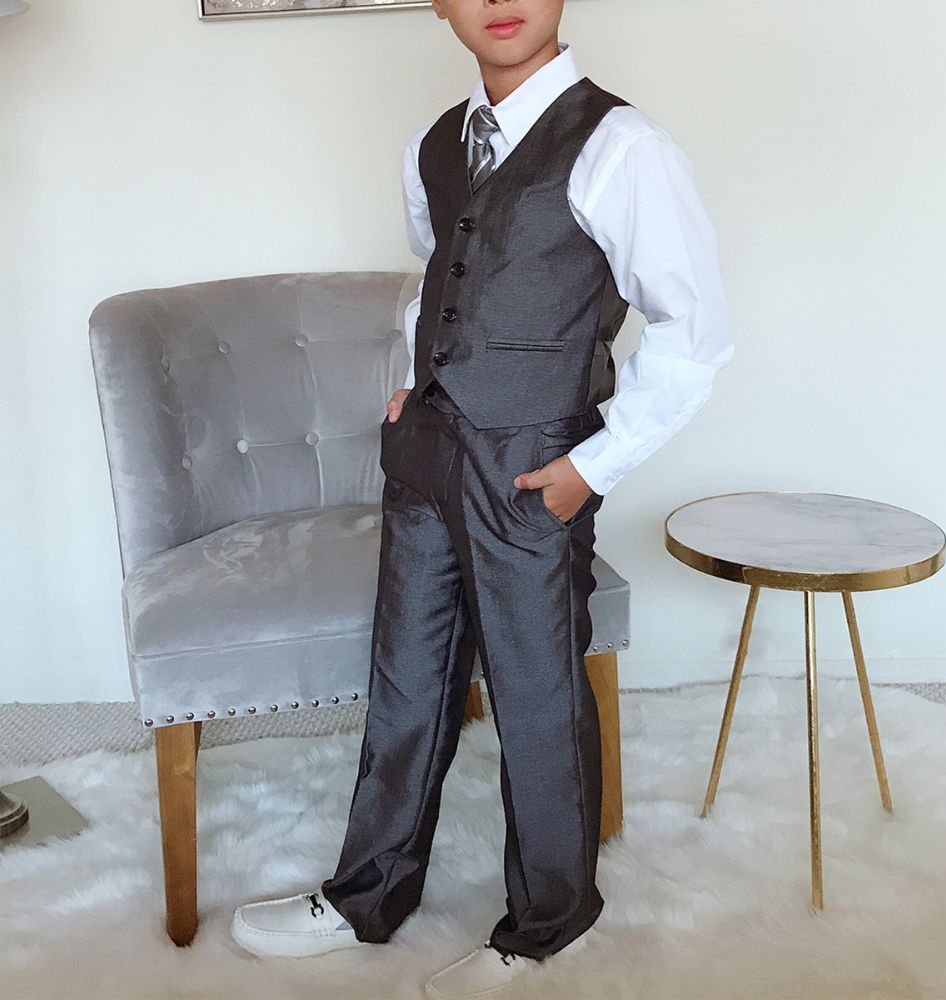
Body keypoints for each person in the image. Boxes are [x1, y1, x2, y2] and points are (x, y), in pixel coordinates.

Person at [230, 1, 734, 996]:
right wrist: (413, 381)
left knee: (534, 689)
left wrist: (596, 464)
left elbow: (696, 331)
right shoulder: (433, 145)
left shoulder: (623, 147)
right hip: (427, 449)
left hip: (531, 465)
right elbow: (445, 271)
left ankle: (549, 919)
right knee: (407, 676)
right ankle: (370, 893)